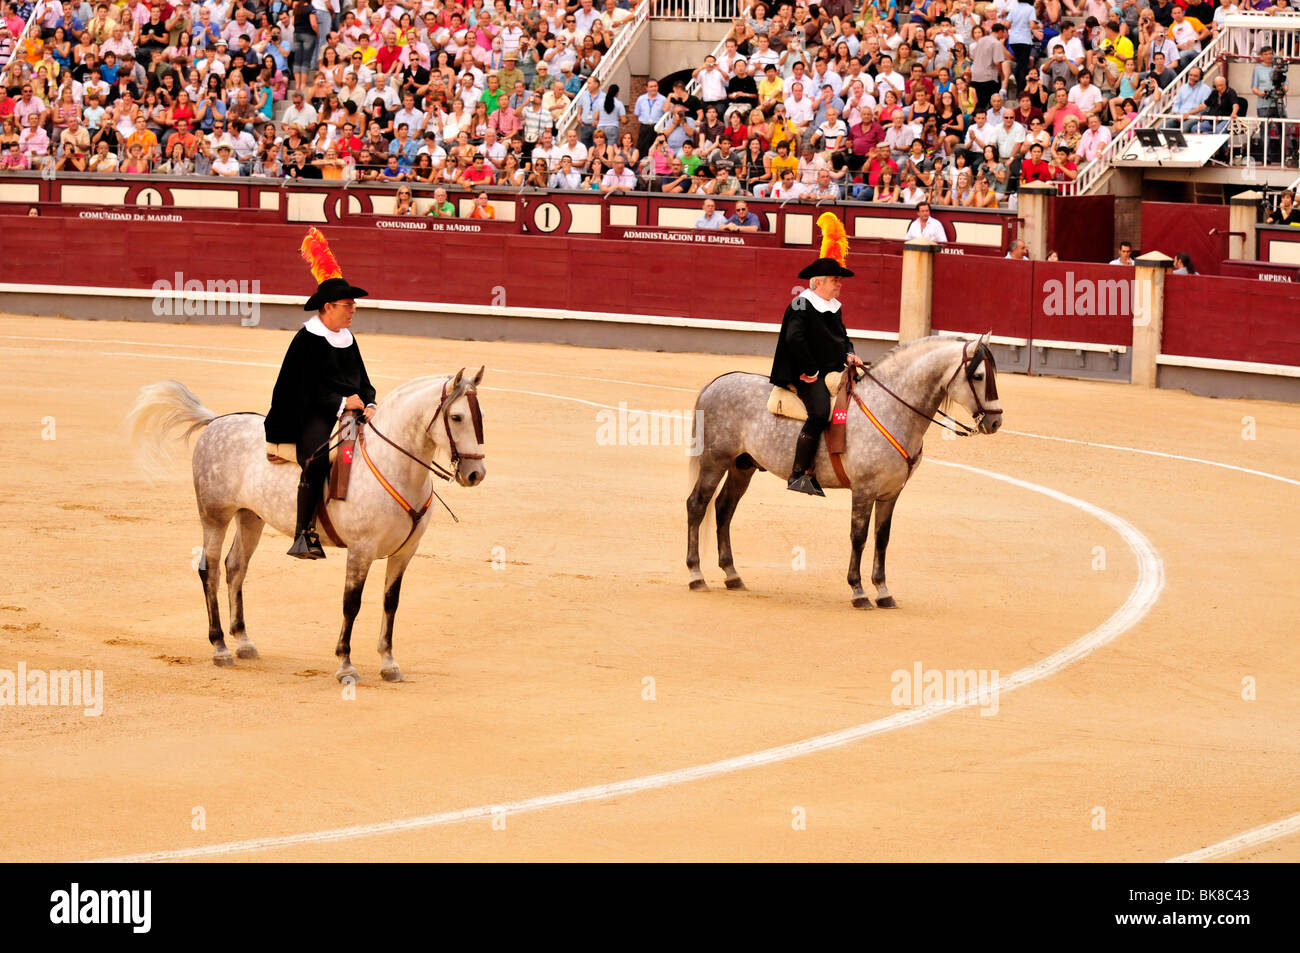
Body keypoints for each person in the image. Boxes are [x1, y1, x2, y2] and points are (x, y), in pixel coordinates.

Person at [265, 229, 376, 560]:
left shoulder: (346, 337)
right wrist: (343, 402)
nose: (353, 310)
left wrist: (368, 402)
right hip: (305, 413)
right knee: (315, 457)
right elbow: (301, 389)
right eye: (348, 305)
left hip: (347, 411)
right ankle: (304, 534)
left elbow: (363, 379)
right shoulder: (307, 340)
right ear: (328, 307)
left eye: (354, 305)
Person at [769, 213, 865, 496]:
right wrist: (811, 371)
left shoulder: (834, 305)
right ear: (819, 282)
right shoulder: (801, 304)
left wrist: (850, 353)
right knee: (820, 412)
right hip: (804, 372)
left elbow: (842, 336)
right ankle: (798, 474)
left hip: (833, 369)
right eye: (836, 280)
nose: (840, 284)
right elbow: (794, 339)